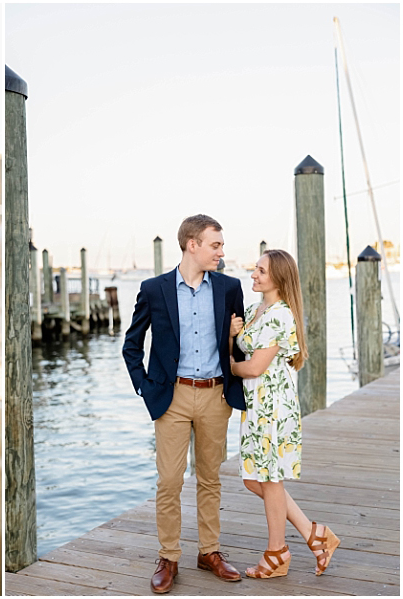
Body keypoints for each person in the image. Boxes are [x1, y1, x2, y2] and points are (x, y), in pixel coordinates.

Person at [122, 214, 246, 594]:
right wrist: (145, 386)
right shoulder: (154, 289)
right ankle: (169, 556)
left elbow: (239, 347)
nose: (221, 252)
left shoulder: (229, 287)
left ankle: (209, 552)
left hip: (215, 395)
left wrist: (240, 339)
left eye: (221, 245)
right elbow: (132, 343)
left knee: (210, 479)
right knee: (170, 481)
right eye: (216, 245)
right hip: (171, 397)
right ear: (192, 245)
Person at [230, 249, 340, 578]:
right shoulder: (255, 309)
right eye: (255, 269)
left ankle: (276, 553)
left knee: (269, 479)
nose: (254, 275)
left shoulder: (280, 315)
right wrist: (233, 334)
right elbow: (240, 349)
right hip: (257, 407)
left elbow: (254, 366)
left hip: (273, 407)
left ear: (278, 277)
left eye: (261, 271)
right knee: (255, 479)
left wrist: (230, 367)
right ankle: (314, 534)